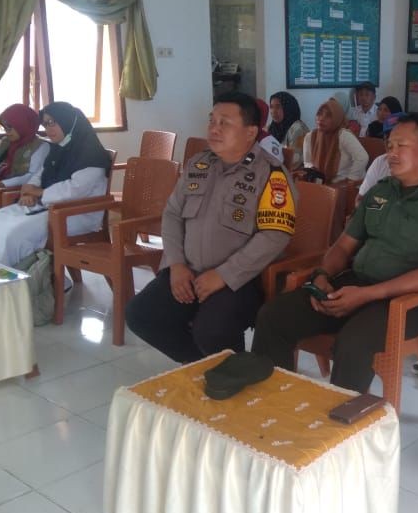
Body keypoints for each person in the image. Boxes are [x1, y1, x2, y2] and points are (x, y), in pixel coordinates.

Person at [252, 114, 418, 393]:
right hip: (354, 285)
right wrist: (321, 275)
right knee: (274, 315)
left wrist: (366, 295)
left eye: (401, 146)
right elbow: (344, 245)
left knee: (354, 342)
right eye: (389, 146)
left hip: (404, 303)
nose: (391, 153)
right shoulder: (381, 192)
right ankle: (269, 401)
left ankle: (342, 418)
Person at [126, 92, 295, 362]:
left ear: (251, 132)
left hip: (240, 280)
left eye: (224, 123)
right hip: (188, 271)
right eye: (212, 121)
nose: (214, 129)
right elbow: (172, 214)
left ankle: (230, 372)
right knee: (141, 315)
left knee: (211, 330)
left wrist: (224, 275)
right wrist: (176, 265)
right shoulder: (199, 164)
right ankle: (207, 367)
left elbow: (275, 235)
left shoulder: (271, 174)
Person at [0, 102, 112, 266]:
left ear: (68, 121)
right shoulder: (59, 148)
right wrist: (29, 192)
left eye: (52, 123)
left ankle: (20, 277)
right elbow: (41, 173)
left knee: (14, 233)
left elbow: (74, 191)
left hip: (76, 214)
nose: (48, 130)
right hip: (49, 205)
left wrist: (39, 193)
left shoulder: (92, 155)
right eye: (45, 124)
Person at [358, 116, 418, 199]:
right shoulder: (380, 161)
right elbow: (361, 198)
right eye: (389, 143)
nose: (392, 152)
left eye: (401, 144)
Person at [301, 98, 368, 184]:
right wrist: (314, 173)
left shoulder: (344, 135)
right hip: (321, 183)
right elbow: (307, 161)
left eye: (328, 116)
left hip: (343, 183)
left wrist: (351, 179)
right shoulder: (310, 136)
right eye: (320, 114)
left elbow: (362, 158)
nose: (321, 119)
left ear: (337, 118)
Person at [267, 92, 309, 168]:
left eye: (278, 107)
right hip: (276, 169)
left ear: (288, 108)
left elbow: (294, 161)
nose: (273, 111)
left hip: (295, 172)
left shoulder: (298, 128)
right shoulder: (272, 127)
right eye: (271, 107)